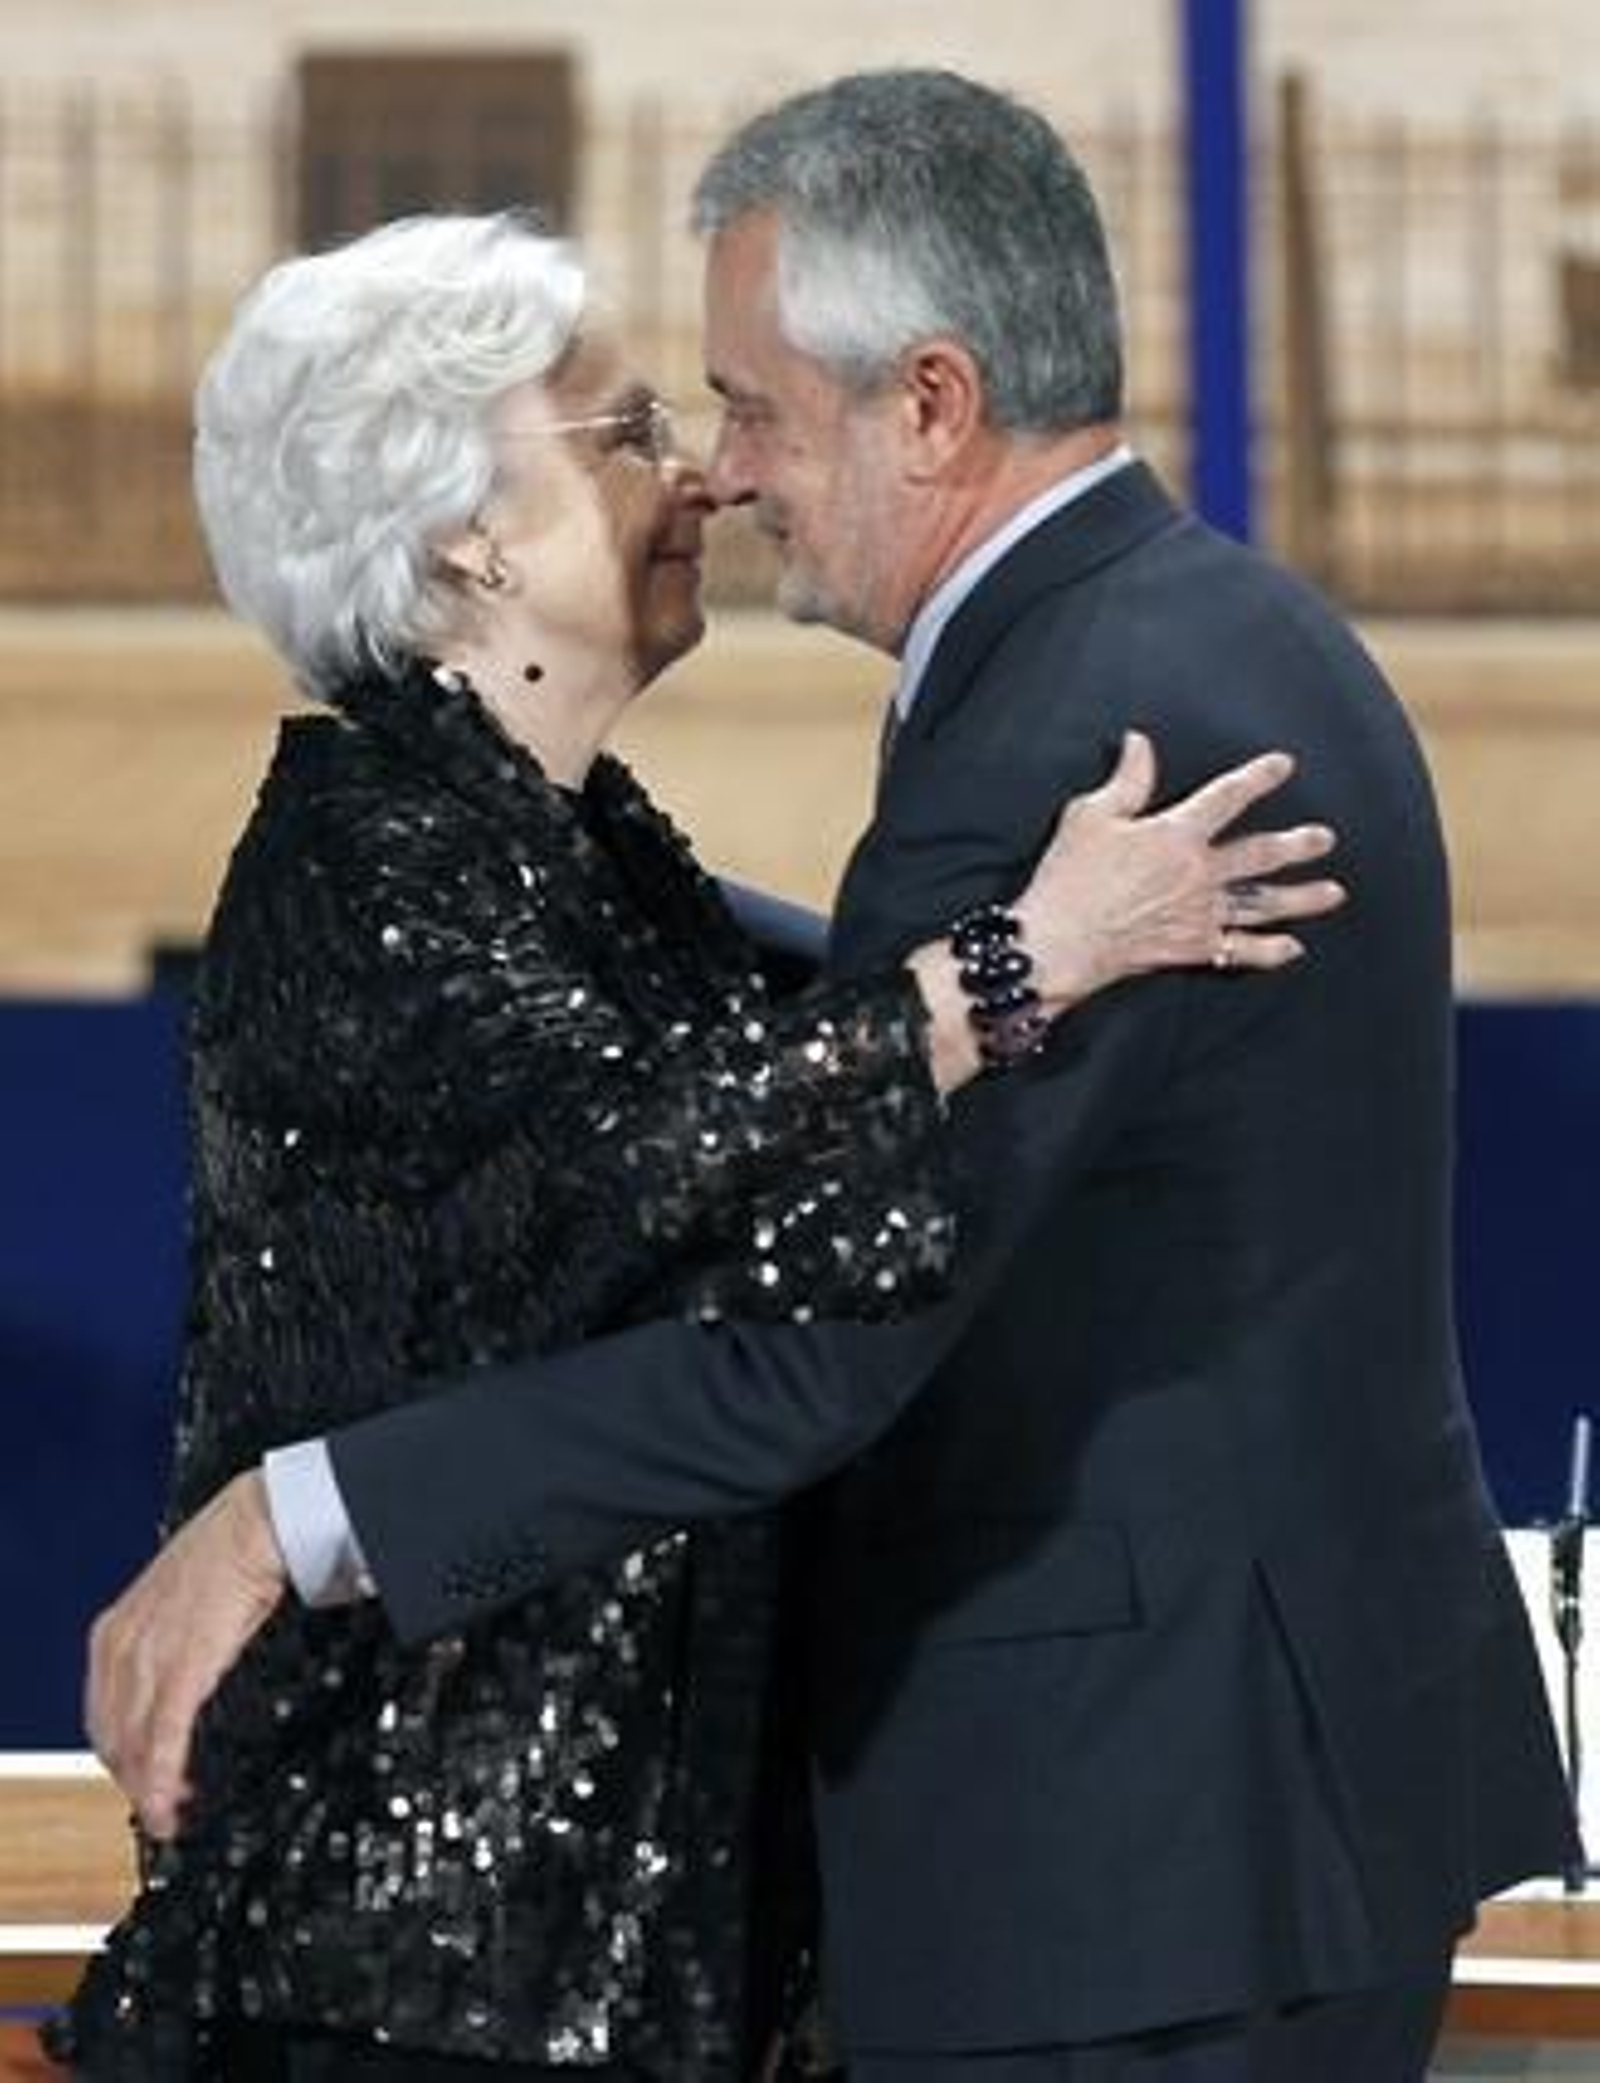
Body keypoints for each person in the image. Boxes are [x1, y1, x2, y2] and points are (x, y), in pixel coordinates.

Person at [85, 69, 1573, 2081]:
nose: (714, 470)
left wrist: (300, 1518)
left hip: (1135, 1852)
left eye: (743, 408)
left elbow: (803, 1324)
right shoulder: (1165, 652)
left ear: (933, 402)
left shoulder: (1074, 734)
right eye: (633, 427)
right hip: (462, 1936)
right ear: (467, 545)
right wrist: (1011, 957)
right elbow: (660, 1136)